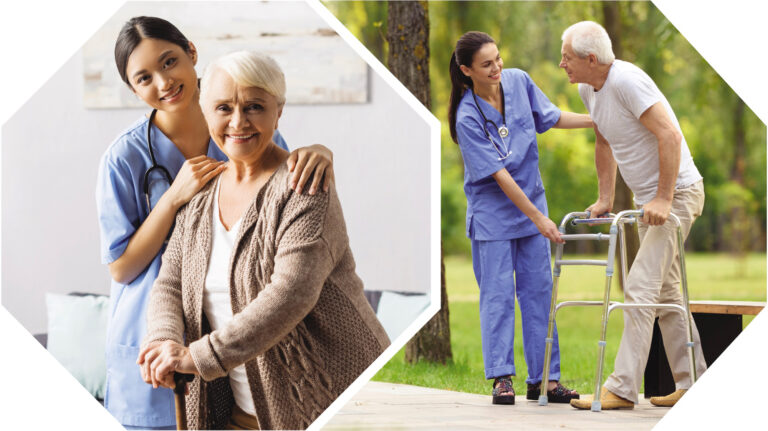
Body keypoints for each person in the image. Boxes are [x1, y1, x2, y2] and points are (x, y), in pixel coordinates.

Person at [96, 16, 335, 430]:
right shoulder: (124, 158)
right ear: (134, 89)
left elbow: (289, 196)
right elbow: (121, 267)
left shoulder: (244, 129)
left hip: (236, 330)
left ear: (191, 52)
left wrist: (320, 150)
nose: (164, 82)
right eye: (144, 78)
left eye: (169, 61)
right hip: (157, 329)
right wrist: (172, 199)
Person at [136, 50, 390, 430]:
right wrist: (162, 340)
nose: (238, 121)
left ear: (279, 111)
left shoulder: (304, 187)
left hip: (332, 400)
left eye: (254, 106)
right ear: (206, 113)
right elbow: (169, 283)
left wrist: (199, 357)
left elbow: (291, 293)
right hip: (240, 412)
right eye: (223, 108)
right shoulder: (200, 195)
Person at [558, 21, 707, 410]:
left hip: (678, 195)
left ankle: (622, 389)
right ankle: (694, 384)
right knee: (666, 293)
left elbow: (670, 135)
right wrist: (605, 197)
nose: (562, 64)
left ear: (591, 59)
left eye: (567, 57)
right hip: (650, 203)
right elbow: (604, 138)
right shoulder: (587, 88)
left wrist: (662, 197)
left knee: (640, 287)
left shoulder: (627, 82)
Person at [448, 31, 591, 405]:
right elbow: (501, 176)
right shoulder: (466, 116)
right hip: (494, 218)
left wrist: (596, 121)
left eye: (498, 59)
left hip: (533, 212)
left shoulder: (519, 81)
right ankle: (501, 378)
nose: (497, 68)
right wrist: (540, 219)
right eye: (486, 64)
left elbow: (552, 117)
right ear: (467, 71)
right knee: (497, 298)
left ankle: (544, 379)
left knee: (540, 295)